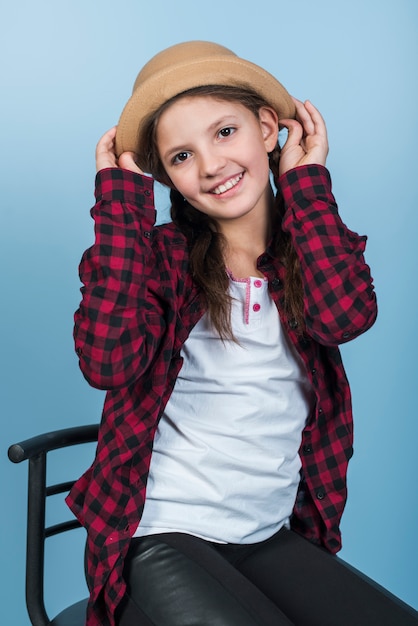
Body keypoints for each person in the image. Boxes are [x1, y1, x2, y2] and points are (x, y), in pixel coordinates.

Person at [66, 41, 417, 626]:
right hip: (158, 535)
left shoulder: (309, 252)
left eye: (224, 133)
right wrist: (121, 209)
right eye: (180, 156)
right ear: (168, 178)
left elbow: (345, 318)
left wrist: (305, 183)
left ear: (265, 126)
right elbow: (108, 362)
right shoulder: (157, 260)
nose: (208, 165)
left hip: (266, 534)